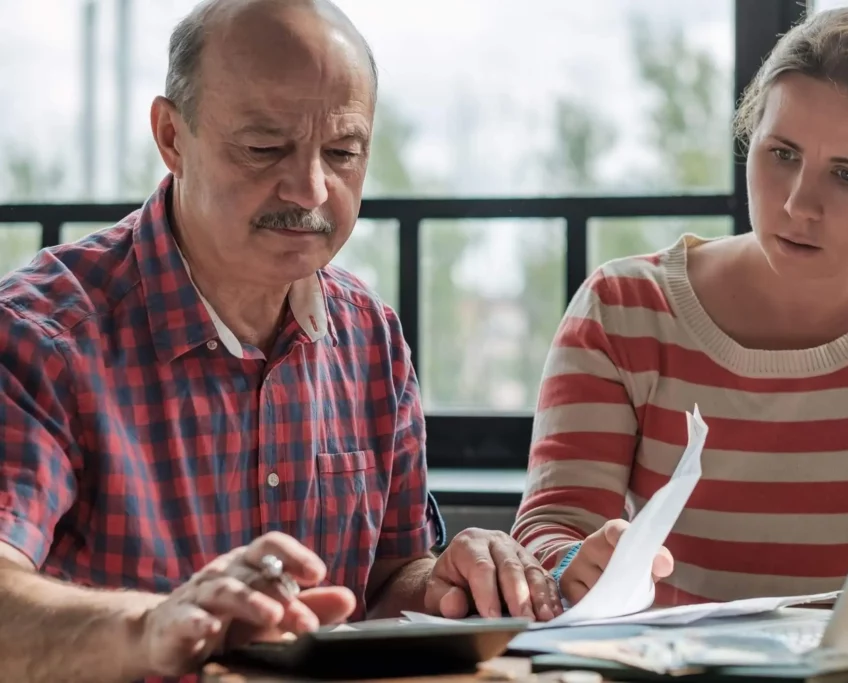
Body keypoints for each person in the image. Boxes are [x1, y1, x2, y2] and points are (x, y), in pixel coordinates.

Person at [0, 1, 561, 681]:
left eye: (343, 153)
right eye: (264, 149)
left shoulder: (370, 337)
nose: (311, 189)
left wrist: (449, 582)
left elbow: (386, 580)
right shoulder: (42, 336)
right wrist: (152, 627)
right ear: (172, 137)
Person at [512, 6, 848, 608]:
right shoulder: (622, 308)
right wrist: (572, 562)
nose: (799, 205)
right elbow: (552, 528)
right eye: (782, 154)